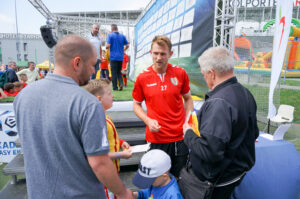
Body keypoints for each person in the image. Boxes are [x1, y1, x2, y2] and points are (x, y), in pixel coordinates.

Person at [13, 35, 133, 199]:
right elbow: (100, 163)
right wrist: (122, 193)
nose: (93, 71)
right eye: (92, 65)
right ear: (77, 63)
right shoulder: (88, 104)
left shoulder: (22, 96)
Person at [181, 46, 259, 199]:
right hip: (235, 172)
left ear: (211, 73)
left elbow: (210, 153)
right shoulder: (246, 93)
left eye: (204, 74)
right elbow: (253, 133)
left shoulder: (219, 103)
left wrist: (188, 133)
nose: (205, 78)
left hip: (217, 180)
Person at [132, 35, 194, 178]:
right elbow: (136, 105)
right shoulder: (142, 77)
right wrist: (147, 120)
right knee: (156, 178)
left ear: (170, 54)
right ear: (150, 53)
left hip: (179, 138)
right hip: (156, 138)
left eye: (162, 54)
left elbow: (188, 98)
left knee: (179, 177)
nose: (158, 57)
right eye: (155, 53)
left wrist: (187, 122)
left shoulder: (180, 73)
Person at [85, 79, 133, 199]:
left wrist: (121, 142)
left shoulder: (103, 115)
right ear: (99, 99)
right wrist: (122, 155)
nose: (113, 95)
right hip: (104, 178)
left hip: (110, 173)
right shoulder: (97, 121)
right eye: (109, 93)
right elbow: (99, 156)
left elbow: (107, 139)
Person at [106, 24, 129, 91]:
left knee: (114, 73)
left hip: (113, 57)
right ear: (117, 28)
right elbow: (127, 45)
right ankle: (121, 84)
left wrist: (107, 47)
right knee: (119, 72)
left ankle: (115, 87)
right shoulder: (122, 36)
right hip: (120, 57)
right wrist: (123, 50)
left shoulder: (110, 35)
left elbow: (108, 45)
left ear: (112, 29)